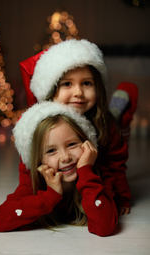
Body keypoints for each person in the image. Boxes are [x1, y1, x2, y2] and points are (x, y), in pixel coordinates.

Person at [19, 39, 138, 215]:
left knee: (115, 123)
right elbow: (27, 166)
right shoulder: (40, 124)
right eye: (67, 84)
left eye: (87, 83)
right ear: (51, 90)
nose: (78, 93)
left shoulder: (105, 125)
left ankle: (117, 109)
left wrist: (122, 197)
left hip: (104, 122)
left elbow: (116, 164)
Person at [0, 101, 118, 237]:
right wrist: (50, 195)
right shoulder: (32, 181)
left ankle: (117, 111)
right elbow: (0, 221)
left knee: (114, 124)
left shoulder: (99, 174)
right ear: (38, 161)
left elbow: (104, 227)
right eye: (51, 150)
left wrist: (86, 172)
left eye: (71, 144)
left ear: (87, 144)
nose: (65, 157)